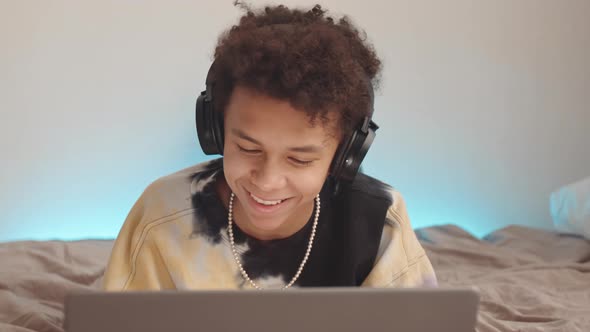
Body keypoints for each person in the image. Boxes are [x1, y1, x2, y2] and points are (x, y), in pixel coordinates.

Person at [102, 2, 437, 290]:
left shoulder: (380, 221)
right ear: (215, 132)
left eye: (300, 159)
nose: (267, 180)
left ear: (345, 156)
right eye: (248, 149)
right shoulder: (161, 215)